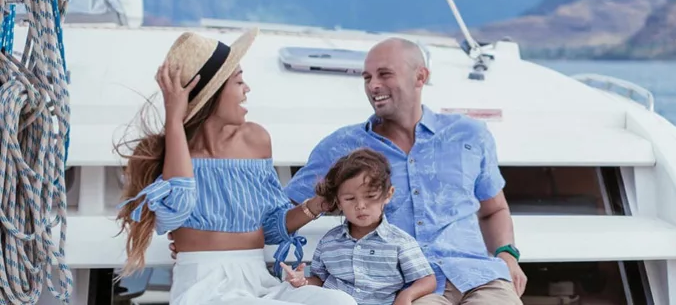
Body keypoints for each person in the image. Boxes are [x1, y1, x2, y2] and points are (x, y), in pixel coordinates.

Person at [114, 29, 357, 305]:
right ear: (212, 94)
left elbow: (270, 229)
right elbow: (178, 207)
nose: (247, 89)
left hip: (257, 280)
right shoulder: (170, 151)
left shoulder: (256, 140)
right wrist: (174, 119)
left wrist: (316, 205)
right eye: (239, 81)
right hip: (203, 285)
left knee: (339, 302)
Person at [283, 37, 527, 305]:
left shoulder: (469, 134)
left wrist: (506, 254)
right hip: (408, 289)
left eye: (384, 74)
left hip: (480, 277)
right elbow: (280, 216)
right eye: (367, 77)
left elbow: (494, 210)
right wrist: (320, 203)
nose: (373, 85)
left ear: (420, 76)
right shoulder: (341, 146)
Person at [281, 147, 436, 305]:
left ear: (388, 195)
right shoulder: (329, 242)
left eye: (370, 196)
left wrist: (407, 295)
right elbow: (320, 281)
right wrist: (303, 281)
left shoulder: (400, 242)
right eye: (350, 199)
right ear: (338, 202)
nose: (360, 205)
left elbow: (427, 279)